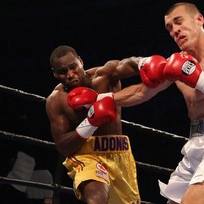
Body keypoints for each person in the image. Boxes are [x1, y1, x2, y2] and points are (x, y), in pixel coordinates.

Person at [113, 2, 204, 204]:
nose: (175, 31)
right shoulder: (176, 64)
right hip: (195, 144)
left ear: (199, 19)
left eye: (178, 22)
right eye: (170, 28)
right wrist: (99, 100)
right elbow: (140, 92)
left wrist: (198, 78)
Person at [45, 45, 142, 204]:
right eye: (63, 72)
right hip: (87, 156)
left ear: (81, 62)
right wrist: (91, 122)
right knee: (95, 198)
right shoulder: (56, 100)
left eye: (73, 67)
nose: (70, 74)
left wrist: (146, 63)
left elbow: (128, 64)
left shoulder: (104, 76)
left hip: (120, 154)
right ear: (55, 74)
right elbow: (63, 146)